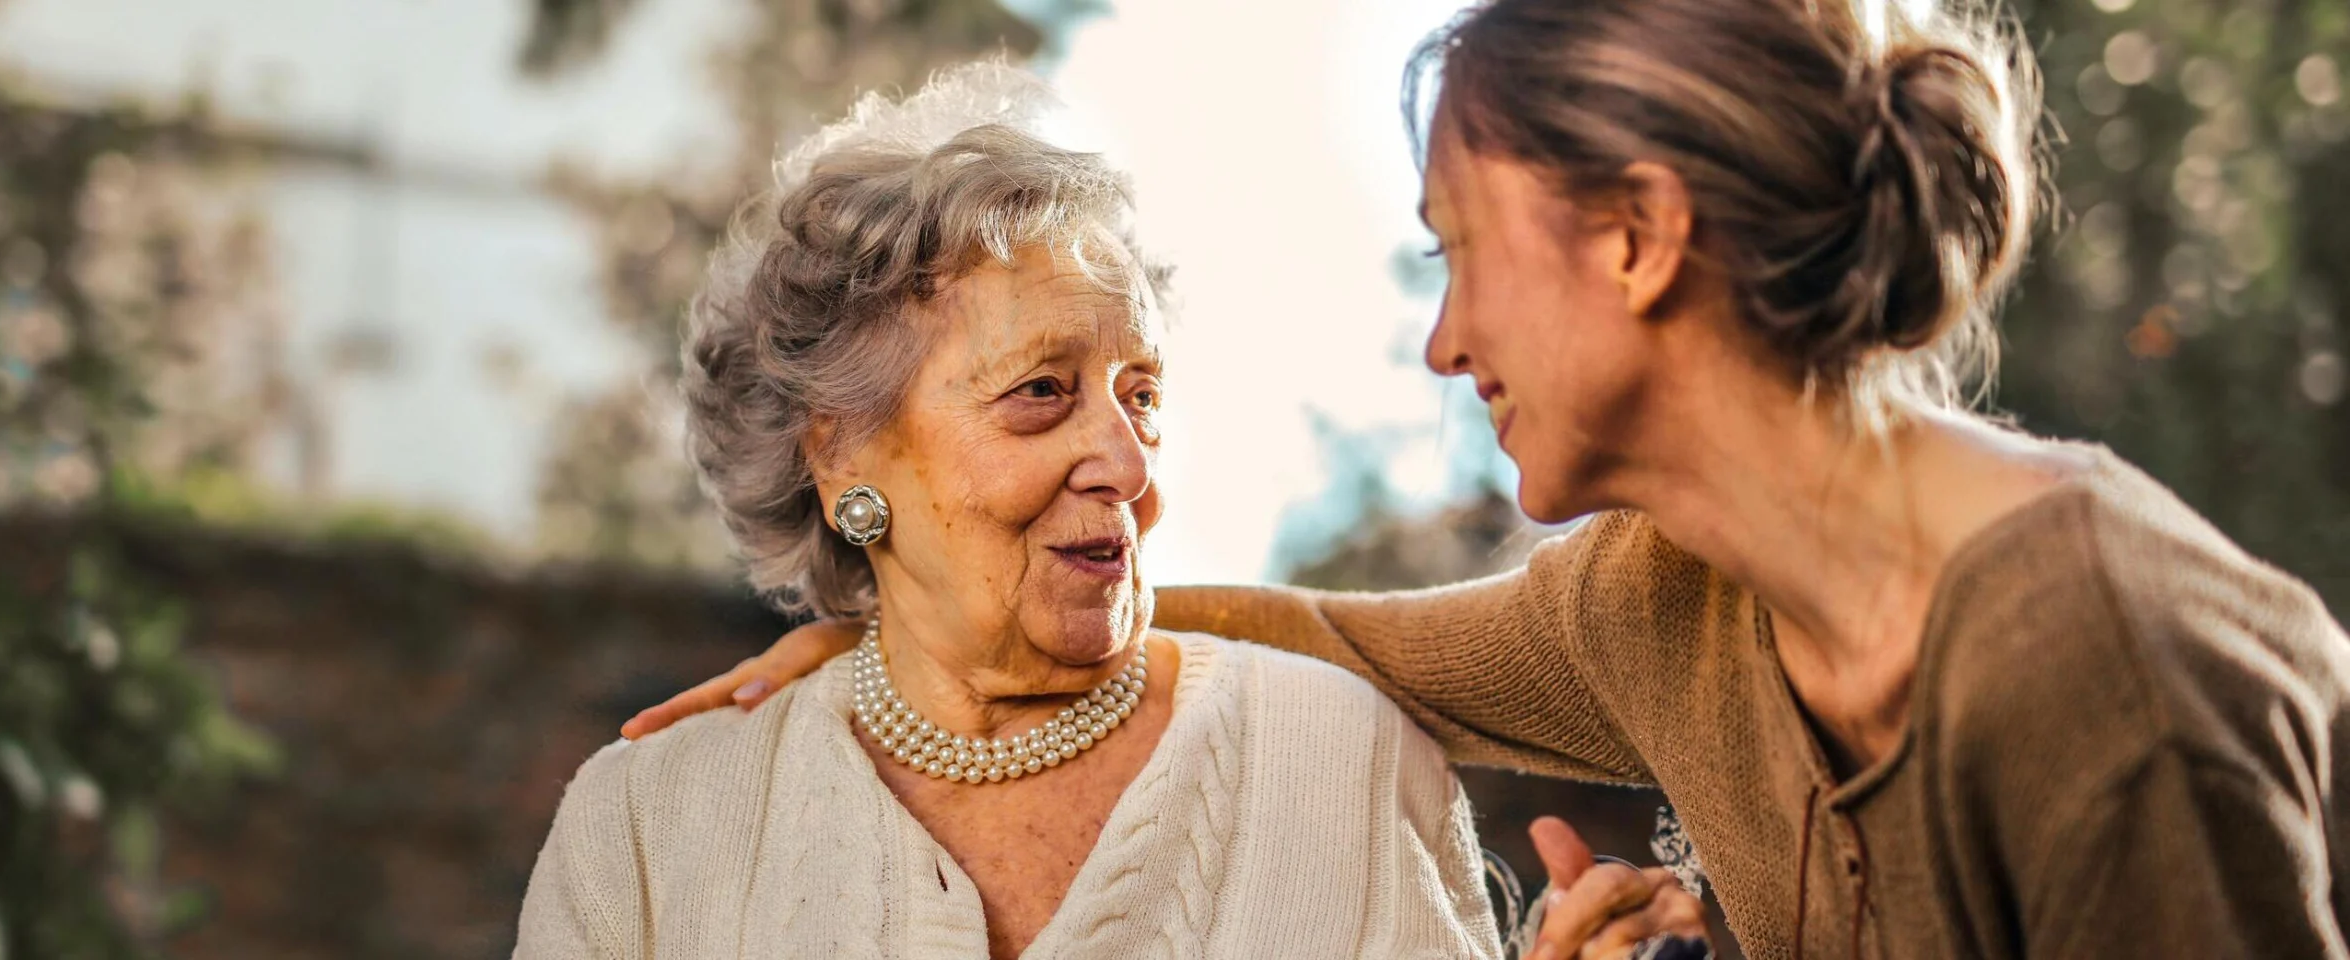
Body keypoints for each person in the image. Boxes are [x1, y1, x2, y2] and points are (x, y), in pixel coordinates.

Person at [620, 0, 2350, 957]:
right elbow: (1336, 643)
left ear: (1637, 238)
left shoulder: (2097, 666)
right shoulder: (1664, 601)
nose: (1445, 343)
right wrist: (918, 638)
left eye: (1460, 252)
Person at [516, 62, 1708, 959]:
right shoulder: (649, 832)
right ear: (840, 458)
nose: (1125, 461)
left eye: (1140, 395)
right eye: (1041, 393)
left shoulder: (1338, 761)